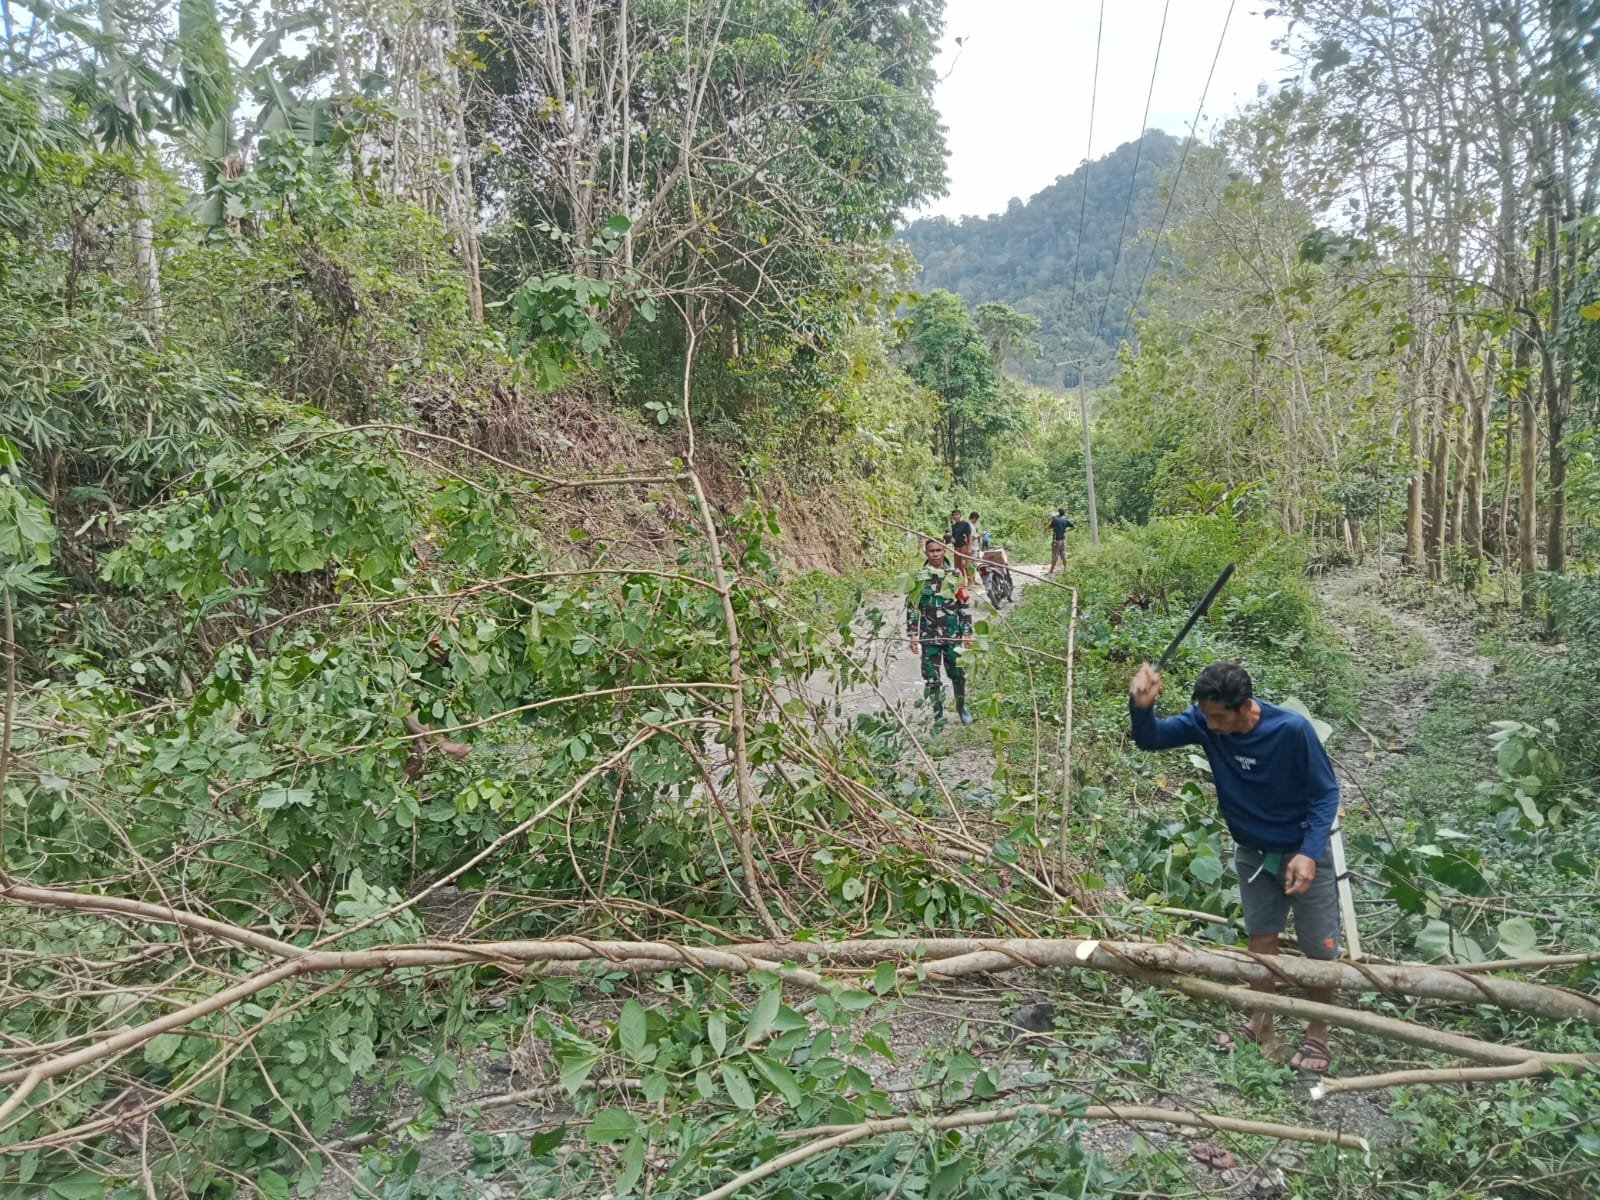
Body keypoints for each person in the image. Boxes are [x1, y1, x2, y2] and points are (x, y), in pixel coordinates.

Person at [1127, 659, 1342, 1075]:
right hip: (1253, 851)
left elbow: (1325, 794)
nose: (1211, 725)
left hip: (1301, 850)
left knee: (1320, 948)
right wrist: (1141, 706)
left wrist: (1309, 853)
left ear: (1245, 706)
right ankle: (1262, 1020)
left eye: (1220, 717)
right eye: (1206, 716)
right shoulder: (1206, 722)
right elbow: (1150, 739)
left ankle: (1318, 1031)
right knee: (1260, 940)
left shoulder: (1291, 730)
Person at [907, 537, 973, 726]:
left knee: (958, 675)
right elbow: (913, 608)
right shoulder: (919, 578)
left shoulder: (955, 575)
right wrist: (913, 635)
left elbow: (963, 605)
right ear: (925, 553)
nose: (935, 554)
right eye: (931, 551)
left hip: (952, 636)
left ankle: (961, 708)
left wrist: (967, 632)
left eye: (938, 550)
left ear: (945, 551)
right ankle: (938, 716)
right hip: (929, 637)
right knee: (931, 678)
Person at [949, 510, 975, 582]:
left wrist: (969, 547)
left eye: (957, 514)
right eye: (954, 515)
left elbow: (969, 536)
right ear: (952, 517)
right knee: (957, 566)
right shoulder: (953, 526)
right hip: (956, 548)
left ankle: (970, 581)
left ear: (960, 515)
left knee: (964, 565)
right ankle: (960, 582)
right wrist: (952, 539)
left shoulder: (965, 524)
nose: (955, 516)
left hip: (964, 547)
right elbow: (954, 537)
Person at [1047, 509, 1075, 575]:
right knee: (1064, 554)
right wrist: (1066, 531)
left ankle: (1051, 571)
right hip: (1063, 540)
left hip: (1056, 540)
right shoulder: (1066, 520)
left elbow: (1048, 527)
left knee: (1055, 555)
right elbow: (1074, 527)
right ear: (1064, 513)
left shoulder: (1055, 520)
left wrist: (1051, 519)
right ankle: (1065, 569)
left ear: (1058, 513)